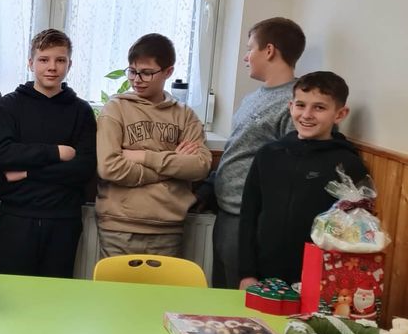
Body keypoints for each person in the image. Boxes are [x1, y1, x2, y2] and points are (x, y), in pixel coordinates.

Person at [238, 72, 369, 287]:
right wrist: (246, 273)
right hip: (263, 274)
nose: (307, 115)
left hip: (319, 279)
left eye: (319, 107)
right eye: (300, 105)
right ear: (291, 107)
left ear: (340, 114)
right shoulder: (268, 155)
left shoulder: (348, 164)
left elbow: (353, 231)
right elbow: (248, 216)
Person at [0, 29, 96, 277]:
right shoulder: (9, 105)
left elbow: (83, 169)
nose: (52, 67)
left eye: (60, 60)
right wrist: (56, 152)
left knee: (56, 294)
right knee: (11, 293)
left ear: (70, 64)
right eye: (44, 59)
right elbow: (3, 155)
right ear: (30, 63)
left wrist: (27, 172)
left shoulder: (81, 111)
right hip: (17, 216)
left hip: (64, 219)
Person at [95, 33, 211, 257]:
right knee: (114, 282)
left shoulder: (185, 115)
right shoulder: (115, 109)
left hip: (168, 227)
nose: (137, 79)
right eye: (132, 71)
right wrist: (173, 168)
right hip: (118, 226)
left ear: (168, 71)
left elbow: (200, 166)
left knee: (162, 283)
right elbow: (109, 167)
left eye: (147, 73)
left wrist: (144, 157)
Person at [211, 17, 306, 288]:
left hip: (252, 220)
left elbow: (292, 170)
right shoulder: (253, 97)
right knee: (220, 294)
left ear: (269, 50)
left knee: (241, 299)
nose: (246, 57)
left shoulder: (295, 103)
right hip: (227, 211)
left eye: (250, 48)